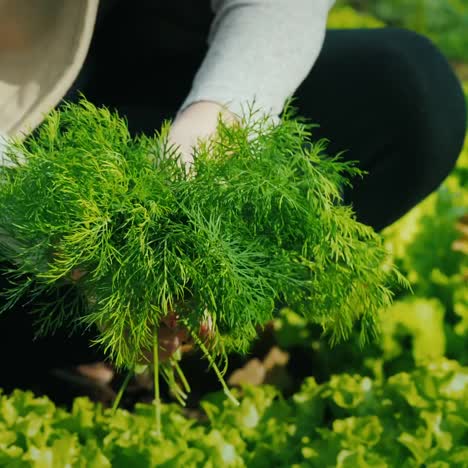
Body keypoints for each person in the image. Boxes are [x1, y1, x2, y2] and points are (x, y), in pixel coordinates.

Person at [0, 0, 466, 391]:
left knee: (406, 96)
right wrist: (59, 243)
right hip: (20, 153)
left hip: (143, 93)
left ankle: (176, 328)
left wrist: (213, 124)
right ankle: (62, 344)